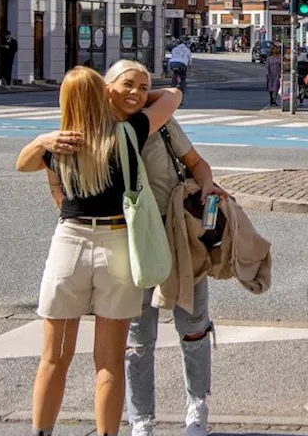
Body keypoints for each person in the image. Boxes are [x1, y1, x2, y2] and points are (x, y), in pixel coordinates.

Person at [15, 68, 181, 436]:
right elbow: (172, 97)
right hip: (117, 245)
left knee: (54, 357)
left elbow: (21, 163)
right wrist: (139, 97)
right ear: (103, 95)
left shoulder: (59, 143)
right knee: (108, 362)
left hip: (69, 244)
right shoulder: (127, 133)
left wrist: (44, 138)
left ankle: (41, 432)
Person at [101, 61, 224, 436]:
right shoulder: (102, 130)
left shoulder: (161, 124)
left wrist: (206, 185)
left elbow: (197, 164)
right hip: (130, 243)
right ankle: (141, 421)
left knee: (193, 328)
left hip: (178, 239)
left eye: (143, 86)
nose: (137, 93)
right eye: (127, 85)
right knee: (138, 339)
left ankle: (197, 410)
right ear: (108, 87)